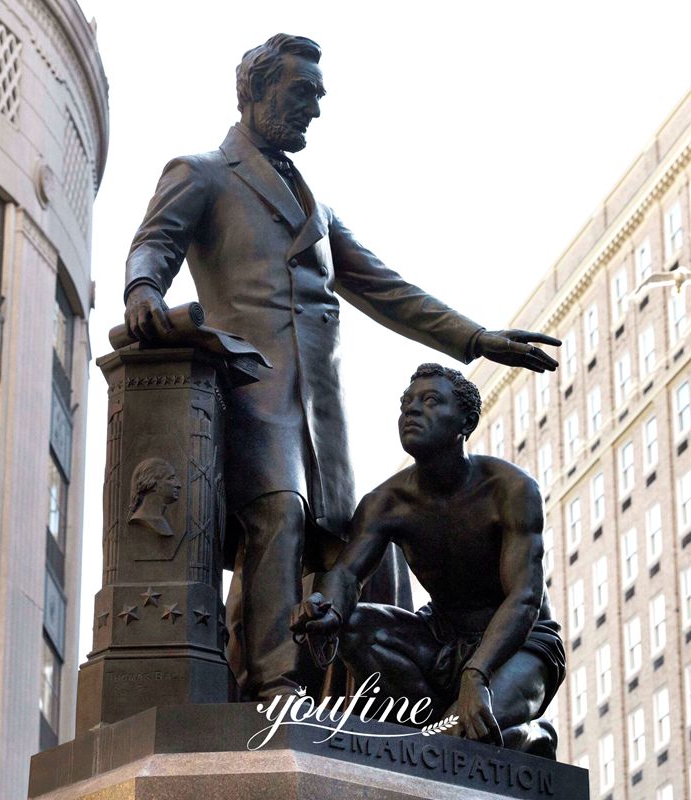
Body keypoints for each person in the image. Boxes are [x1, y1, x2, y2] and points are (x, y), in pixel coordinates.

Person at [123, 33, 560, 700]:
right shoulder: (203, 172)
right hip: (248, 395)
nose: (315, 110)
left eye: (319, 97)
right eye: (303, 94)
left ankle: (365, 698)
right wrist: (142, 291)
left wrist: (475, 339)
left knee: (351, 547)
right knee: (280, 512)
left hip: (320, 419)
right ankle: (276, 686)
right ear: (259, 92)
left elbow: (387, 288)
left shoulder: (318, 209)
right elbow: (154, 243)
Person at [291, 364, 565, 756]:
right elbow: (347, 574)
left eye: (431, 401)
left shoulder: (511, 489)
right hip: (439, 639)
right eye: (406, 404)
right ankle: (434, 731)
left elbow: (524, 597)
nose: (412, 411)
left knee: (451, 744)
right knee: (355, 626)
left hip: (520, 645)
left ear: (466, 422)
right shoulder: (386, 503)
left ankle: (530, 734)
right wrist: (327, 610)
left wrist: (477, 672)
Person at [127, 457, 181, 538]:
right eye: (171, 478)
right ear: (153, 483)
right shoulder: (145, 518)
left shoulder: (159, 518)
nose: (178, 485)